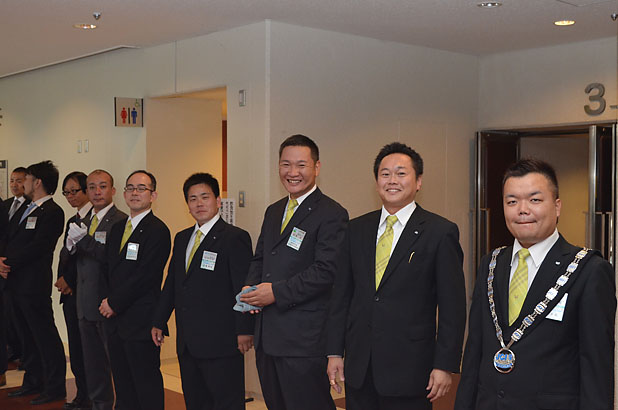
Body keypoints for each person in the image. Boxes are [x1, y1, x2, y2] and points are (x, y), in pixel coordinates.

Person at [454, 159, 616, 410]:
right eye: (512, 202)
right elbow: (474, 350)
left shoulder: (589, 270)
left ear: (557, 206)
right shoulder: (491, 264)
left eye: (535, 200)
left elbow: (596, 367)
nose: (522, 210)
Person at [326, 142, 467, 410]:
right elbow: (341, 296)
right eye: (385, 174)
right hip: (360, 366)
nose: (392, 180)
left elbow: (453, 307)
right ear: (376, 181)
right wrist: (334, 351)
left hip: (411, 367)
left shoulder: (440, 232)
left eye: (401, 173)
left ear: (418, 181)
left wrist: (445, 365)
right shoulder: (356, 229)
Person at [241, 134, 349, 410]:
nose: (292, 172)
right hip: (268, 336)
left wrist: (275, 293)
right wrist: (250, 287)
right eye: (286, 164)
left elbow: (325, 272)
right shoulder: (274, 211)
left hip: (303, 340)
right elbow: (261, 257)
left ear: (317, 167)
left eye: (301, 165)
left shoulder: (332, 213)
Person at [152, 172, 254, 410]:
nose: (199, 203)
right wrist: (159, 320)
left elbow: (243, 287)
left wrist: (245, 330)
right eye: (193, 199)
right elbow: (172, 283)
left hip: (222, 341)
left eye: (205, 197)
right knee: (195, 401)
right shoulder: (182, 238)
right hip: (188, 342)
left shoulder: (234, 238)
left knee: (226, 402)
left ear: (218, 201)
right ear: (187, 205)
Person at [100, 170, 171, 410]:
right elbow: (108, 269)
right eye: (130, 188)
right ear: (123, 194)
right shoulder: (118, 228)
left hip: (141, 322)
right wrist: (107, 302)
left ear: (153, 195)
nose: (135, 193)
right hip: (115, 322)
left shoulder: (158, 230)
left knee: (145, 384)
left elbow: (145, 276)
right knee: (123, 385)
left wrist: (114, 303)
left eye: (141, 188)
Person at [0, 160, 67, 405]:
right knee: (25, 336)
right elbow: (10, 238)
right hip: (14, 283)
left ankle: (54, 386)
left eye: (26, 179)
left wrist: (8, 262)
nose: (22, 184)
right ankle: (33, 381)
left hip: (33, 285)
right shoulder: (25, 208)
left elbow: (39, 246)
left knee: (43, 335)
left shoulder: (52, 211)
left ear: (37, 182)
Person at [68, 169, 126, 410]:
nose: (97, 191)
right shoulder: (81, 221)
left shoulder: (121, 221)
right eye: (92, 187)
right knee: (92, 363)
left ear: (113, 190)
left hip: (106, 304)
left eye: (102, 186)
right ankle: (99, 404)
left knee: (115, 363)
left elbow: (112, 260)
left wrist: (84, 241)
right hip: (83, 302)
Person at [56, 172, 92, 409]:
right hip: (69, 295)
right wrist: (61, 278)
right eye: (66, 193)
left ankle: (90, 397)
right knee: (76, 349)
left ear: (86, 190)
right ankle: (81, 394)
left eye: (74, 191)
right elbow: (66, 253)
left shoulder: (95, 219)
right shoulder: (72, 220)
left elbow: (87, 259)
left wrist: (68, 280)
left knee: (89, 351)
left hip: (84, 293)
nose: (70, 196)